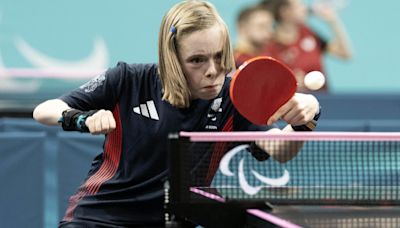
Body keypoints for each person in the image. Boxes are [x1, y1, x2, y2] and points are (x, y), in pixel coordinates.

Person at [33, 1, 320, 227]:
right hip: (100, 219)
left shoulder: (233, 99)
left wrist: (304, 122)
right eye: (197, 60)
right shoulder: (129, 80)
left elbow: (280, 150)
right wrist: (82, 119)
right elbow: (44, 110)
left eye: (220, 56)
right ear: (173, 59)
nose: (212, 70)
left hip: (173, 222)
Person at [260, 0, 352, 92]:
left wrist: (333, 21)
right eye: (299, 6)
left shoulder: (307, 32)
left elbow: (345, 54)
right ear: (285, 12)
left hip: (323, 98)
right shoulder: (269, 44)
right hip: (293, 103)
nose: (304, 8)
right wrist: (289, 81)